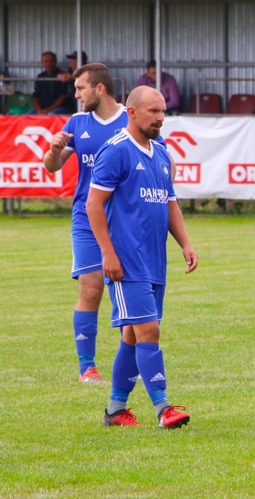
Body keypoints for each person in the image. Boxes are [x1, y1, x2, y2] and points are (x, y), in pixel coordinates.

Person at [86, 86, 197, 429]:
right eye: (153, 111)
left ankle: (115, 411)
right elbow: (93, 205)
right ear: (131, 112)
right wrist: (108, 254)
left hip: (154, 262)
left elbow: (169, 203)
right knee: (149, 331)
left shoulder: (161, 154)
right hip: (126, 262)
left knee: (133, 337)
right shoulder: (115, 151)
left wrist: (185, 243)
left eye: (163, 111)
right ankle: (164, 409)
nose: (161, 118)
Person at [43, 63, 128, 383]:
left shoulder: (129, 119)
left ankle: (128, 363)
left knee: (127, 290)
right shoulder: (77, 123)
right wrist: (53, 150)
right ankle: (87, 369)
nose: (76, 94)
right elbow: (52, 167)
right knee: (91, 290)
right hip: (86, 218)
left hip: (124, 220)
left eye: (80, 89)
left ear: (100, 89)